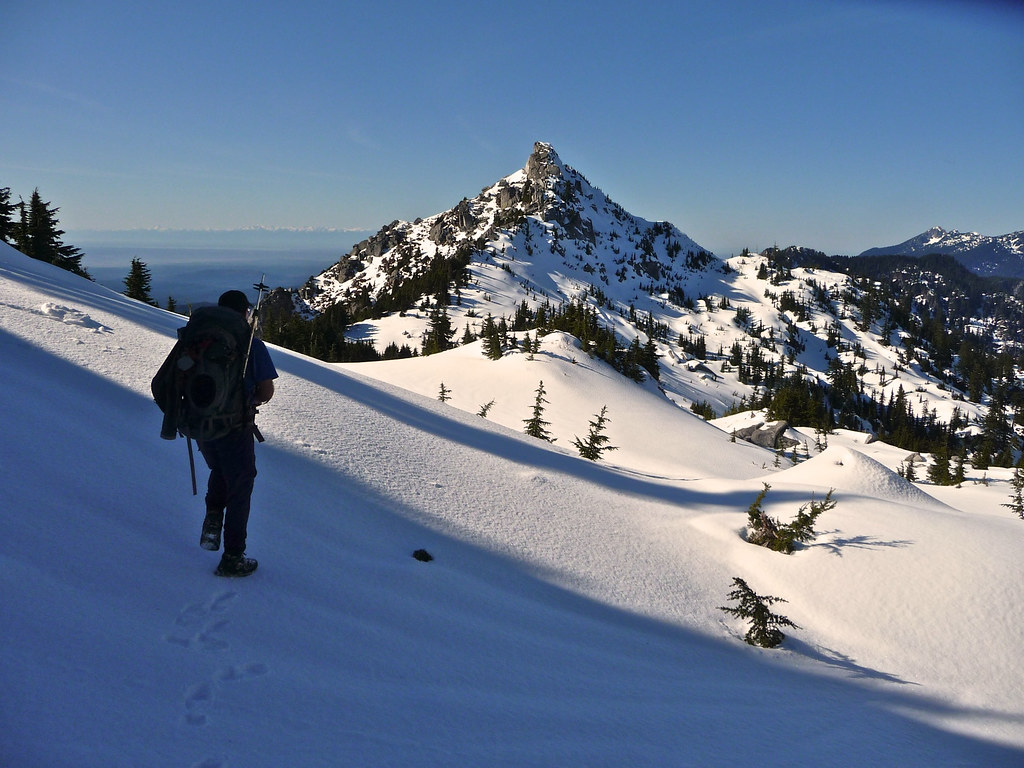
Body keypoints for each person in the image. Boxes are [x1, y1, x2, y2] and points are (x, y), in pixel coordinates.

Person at [198, 289, 278, 577]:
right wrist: (250, 400)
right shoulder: (250, 345)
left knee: (219, 469)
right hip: (235, 425)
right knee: (241, 484)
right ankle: (233, 556)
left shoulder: (198, 339)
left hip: (201, 424)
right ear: (246, 313)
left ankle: (212, 519)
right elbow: (266, 391)